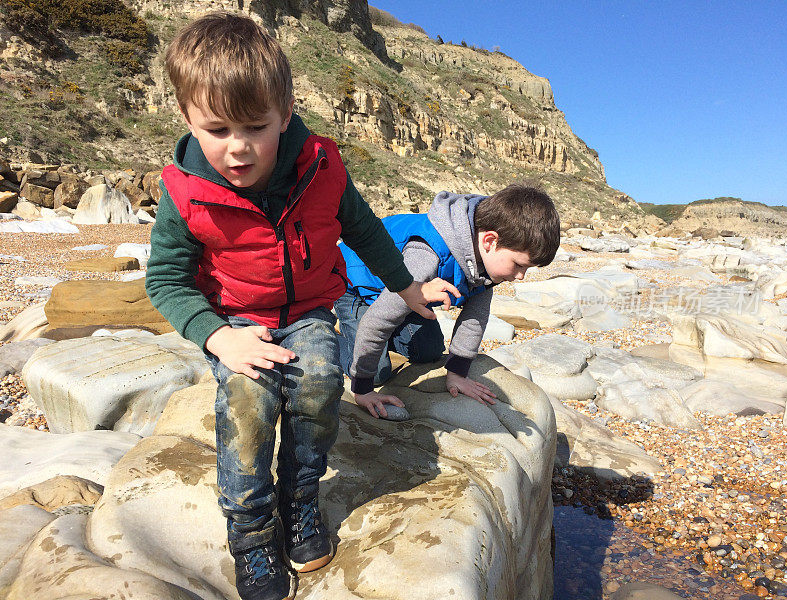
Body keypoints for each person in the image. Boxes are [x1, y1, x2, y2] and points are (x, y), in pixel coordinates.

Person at [144, 13, 456, 600]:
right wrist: (218, 338)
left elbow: (364, 230)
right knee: (247, 401)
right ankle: (252, 532)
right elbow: (165, 280)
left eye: (255, 127)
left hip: (311, 309)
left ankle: (300, 497)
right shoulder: (185, 191)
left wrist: (408, 289)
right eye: (216, 130)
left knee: (317, 383)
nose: (237, 148)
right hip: (236, 318)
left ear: (285, 115)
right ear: (187, 118)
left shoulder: (321, 165)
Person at [335, 186, 561, 419]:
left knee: (429, 349)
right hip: (356, 285)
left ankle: (375, 338)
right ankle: (334, 340)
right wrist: (362, 390)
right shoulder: (428, 255)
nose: (521, 276)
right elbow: (379, 319)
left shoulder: (485, 266)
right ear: (490, 241)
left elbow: (475, 316)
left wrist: (457, 374)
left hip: (407, 295)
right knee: (377, 372)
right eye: (519, 265)